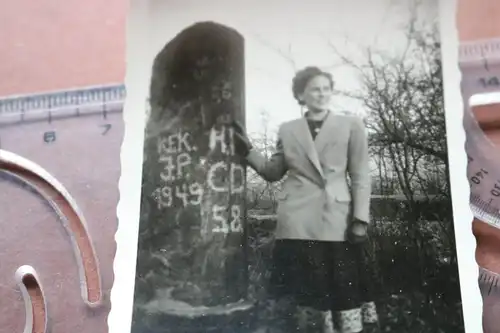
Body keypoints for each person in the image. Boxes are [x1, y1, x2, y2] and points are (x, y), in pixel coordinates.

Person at [232, 66, 379, 333]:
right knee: (307, 291)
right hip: (298, 220)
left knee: (340, 285)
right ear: (301, 95)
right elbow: (273, 172)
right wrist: (248, 151)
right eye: (314, 89)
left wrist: (360, 219)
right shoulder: (288, 130)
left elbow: (360, 176)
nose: (321, 94)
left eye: (326, 89)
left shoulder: (351, 125)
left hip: (337, 219)